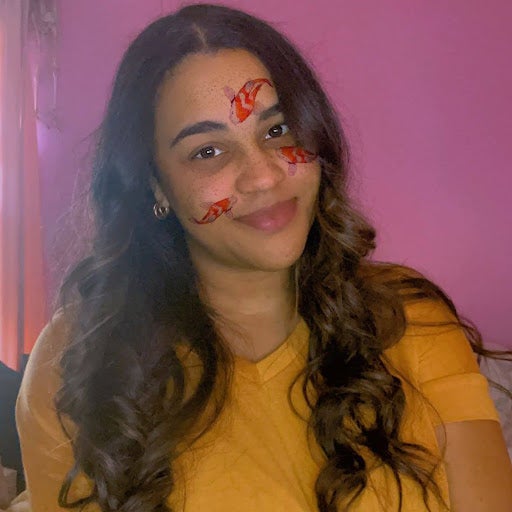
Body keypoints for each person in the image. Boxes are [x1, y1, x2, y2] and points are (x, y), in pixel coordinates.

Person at [15, 4, 512, 512]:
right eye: (207, 151)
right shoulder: (80, 362)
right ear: (155, 185)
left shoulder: (412, 321)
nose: (264, 176)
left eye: (276, 131)